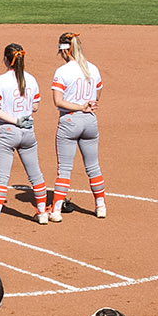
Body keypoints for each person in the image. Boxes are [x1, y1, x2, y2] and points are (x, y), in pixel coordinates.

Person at [0, 43, 49, 228]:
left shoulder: (0, 80)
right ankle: (42, 213)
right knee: (36, 175)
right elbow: (35, 107)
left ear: (5, 59)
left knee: (2, 178)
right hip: (28, 133)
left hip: (7, 133)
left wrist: (14, 120)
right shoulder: (31, 80)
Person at [48, 32, 107, 220]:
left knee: (64, 169)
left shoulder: (63, 71)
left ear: (65, 51)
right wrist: (86, 105)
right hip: (90, 121)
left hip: (70, 122)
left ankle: (56, 210)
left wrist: (78, 106)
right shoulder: (93, 69)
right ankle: (100, 206)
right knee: (93, 167)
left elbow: (58, 101)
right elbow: (97, 96)